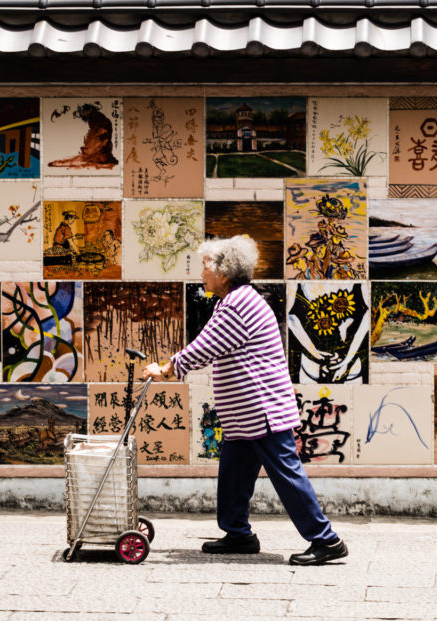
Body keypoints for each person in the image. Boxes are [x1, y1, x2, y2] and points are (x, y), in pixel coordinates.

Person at [142, 235, 347, 566]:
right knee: (234, 473)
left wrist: (167, 368)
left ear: (224, 272)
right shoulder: (232, 301)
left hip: (263, 409)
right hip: (245, 413)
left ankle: (326, 540)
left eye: (206, 266)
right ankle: (238, 534)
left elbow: (206, 346)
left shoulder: (240, 304)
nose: (202, 273)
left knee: (286, 473)